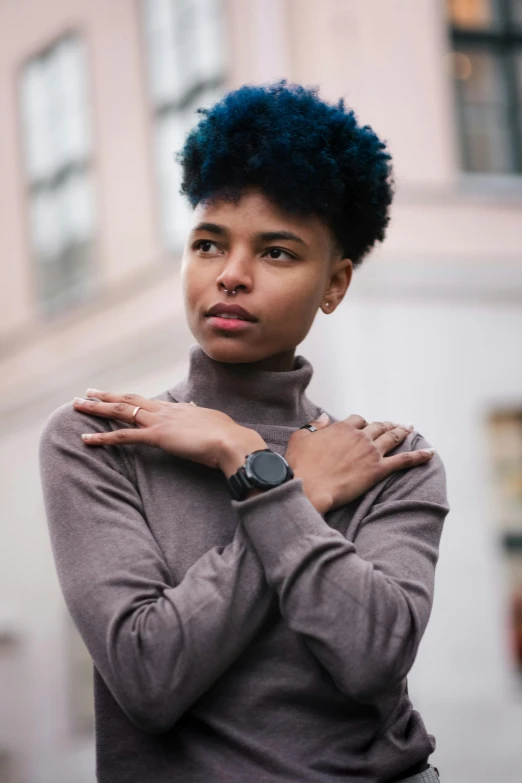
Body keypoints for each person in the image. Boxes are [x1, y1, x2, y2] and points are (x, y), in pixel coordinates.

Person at [39, 80, 449, 783]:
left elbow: (372, 656)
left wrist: (250, 462)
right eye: (207, 243)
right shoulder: (101, 444)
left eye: (277, 252)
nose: (231, 275)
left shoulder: (391, 462)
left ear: (336, 283)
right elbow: (148, 677)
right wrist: (293, 488)